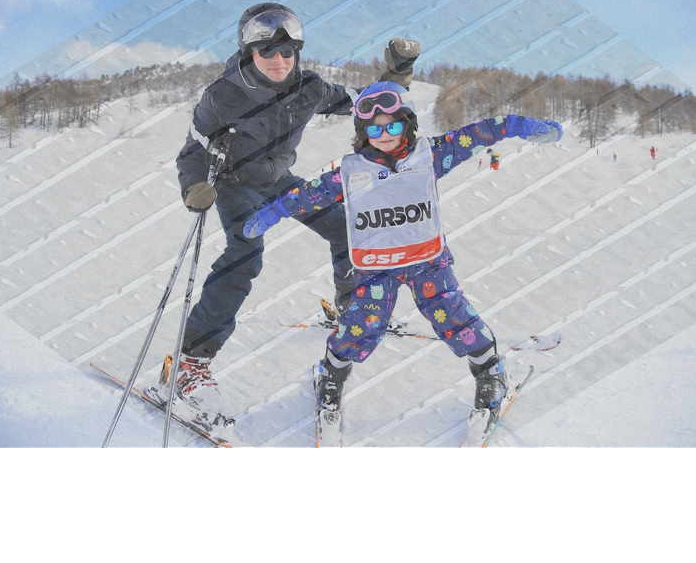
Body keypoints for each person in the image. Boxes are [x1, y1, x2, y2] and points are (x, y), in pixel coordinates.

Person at [152, 3, 422, 432]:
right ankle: (190, 365)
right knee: (245, 256)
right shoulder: (223, 96)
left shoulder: (308, 87)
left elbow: (364, 104)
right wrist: (194, 187)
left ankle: (350, 307)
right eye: (267, 52)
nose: (279, 61)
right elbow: (192, 151)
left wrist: (397, 74)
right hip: (235, 184)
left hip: (279, 181)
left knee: (346, 227)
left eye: (287, 52)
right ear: (249, 52)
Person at [241, 81, 562, 437]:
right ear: (363, 133)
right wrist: (275, 211)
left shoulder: (430, 155)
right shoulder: (351, 171)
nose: (384, 136)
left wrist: (518, 125)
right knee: (360, 325)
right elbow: (311, 194)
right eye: (374, 129)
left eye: (392, 126)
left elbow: (478, 133)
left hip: (427, 261)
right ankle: (331, 374)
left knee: (455, 317)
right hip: (375, 268)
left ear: (407, 124)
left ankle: (490, 372)